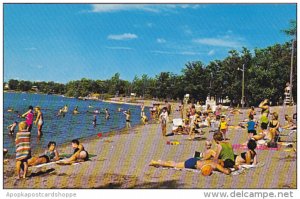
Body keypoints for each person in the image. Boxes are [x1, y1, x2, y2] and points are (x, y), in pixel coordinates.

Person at [149, 158, 231, 176]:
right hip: (193, 163)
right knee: (173, 165)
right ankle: (155, 162)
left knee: (176, 164)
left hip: (194, 161)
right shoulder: (216, 164)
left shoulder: (214, 161)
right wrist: (230, 170)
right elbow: (225, 171)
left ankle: (159, 162)